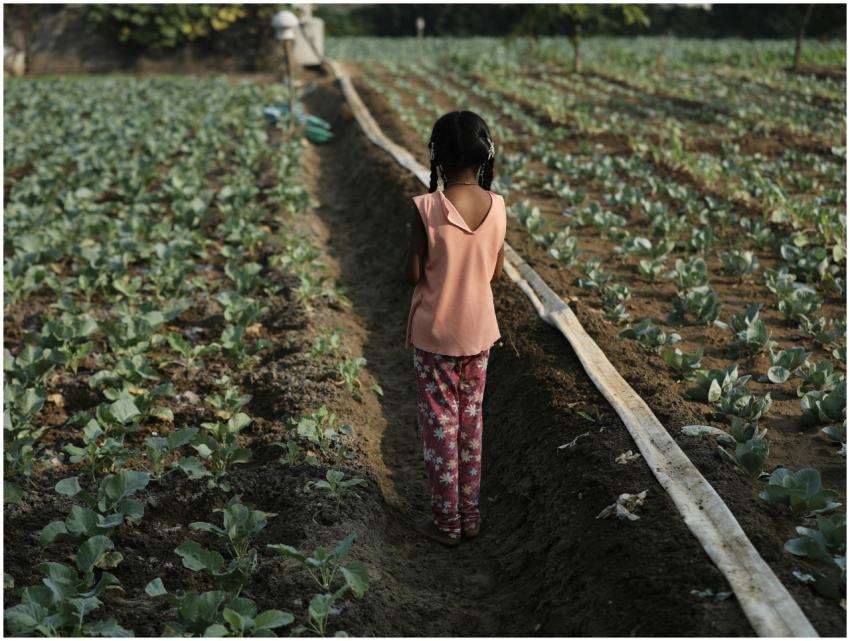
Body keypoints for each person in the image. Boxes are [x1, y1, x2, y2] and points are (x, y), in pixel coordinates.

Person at [405, 111, 506, 547]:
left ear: (436, 157)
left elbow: (412, 274)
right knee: (471, 423)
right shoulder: (499, 206)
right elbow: (495, 273)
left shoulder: (426, 209)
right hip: (479, 333)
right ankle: (470, 515)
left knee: (440, 426)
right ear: (485, 157)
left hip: (435, 336)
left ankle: (445, 523)